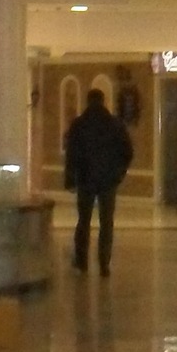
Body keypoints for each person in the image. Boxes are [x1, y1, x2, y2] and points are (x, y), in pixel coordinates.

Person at [62, 87, 133, 277]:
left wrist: (70, 179)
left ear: (88, 101)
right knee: (106, 223)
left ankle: (81, 262)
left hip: (85, 179)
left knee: (83, 221)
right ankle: (104, 264)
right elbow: (127, 152)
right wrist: (118, 173)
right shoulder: (115, 124)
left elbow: (71, 155)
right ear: (103, 101)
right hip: (108, 180)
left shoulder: (79, 125)